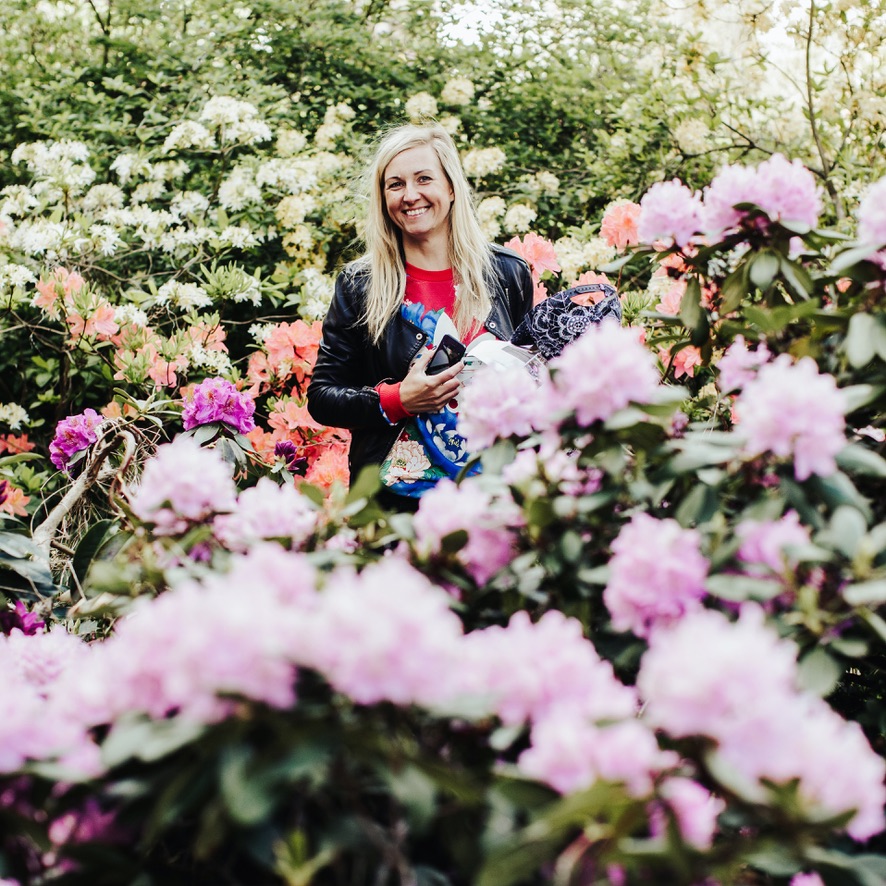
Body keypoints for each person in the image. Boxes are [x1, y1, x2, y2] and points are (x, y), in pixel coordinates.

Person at [307, 123, 534, 505]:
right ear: (383, 198)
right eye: (395, 184)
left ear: (450, 186)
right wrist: (398, 399)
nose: (410, 195)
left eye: (423, 179)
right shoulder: (360, 284)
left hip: (495, 496)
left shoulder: (507, 272)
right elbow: (323, 396)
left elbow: (531, 371)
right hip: (399, 505)